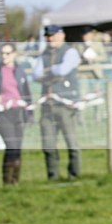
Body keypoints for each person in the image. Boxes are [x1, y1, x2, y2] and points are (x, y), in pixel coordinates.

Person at [32, 25, 82, 181]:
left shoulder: (70, 52)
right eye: (48, 36)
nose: (50, 39)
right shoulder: (43, 54)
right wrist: (51, 71)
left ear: (62, 35)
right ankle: (52, 177)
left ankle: (74, 176)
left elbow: (63, 70)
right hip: (48, 107)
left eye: (53, 35)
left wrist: (48, 71)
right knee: (48, 144)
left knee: (72, 144)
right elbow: (35, 74)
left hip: (66, 106)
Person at [0, 43, 32, 186]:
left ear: (14, 54)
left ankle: (15, 181)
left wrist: (29, 111)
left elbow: (26, 92)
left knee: (17, 146)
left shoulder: (19, 71)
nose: (4, 56)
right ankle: (7, 181)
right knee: (11, 144)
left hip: (18, 112)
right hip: (3, 113)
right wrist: (1, 98)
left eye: (7, 53)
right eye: (2, 53)